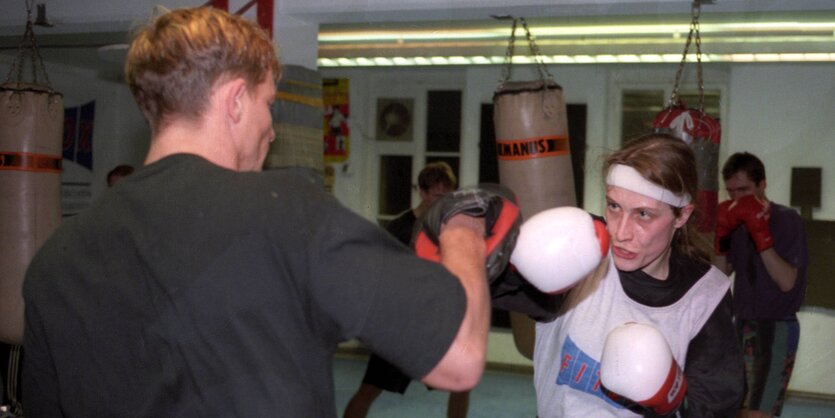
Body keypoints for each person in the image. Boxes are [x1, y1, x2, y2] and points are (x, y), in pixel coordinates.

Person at [21, 7, 498, 417]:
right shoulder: (284, 209)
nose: (271, 131)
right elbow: (459, 357)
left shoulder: (54, 260)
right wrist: (463, 226)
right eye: (268, 104)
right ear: (234, 101)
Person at [495, 133, 745, 417]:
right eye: (614, 206)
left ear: (682, 216)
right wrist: (492, 254)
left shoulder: (706, 294)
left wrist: (672, 398)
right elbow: (492, 288)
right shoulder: (581, 250)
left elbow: (716, 407)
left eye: (643, 214)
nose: (621, 233)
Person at [344, 161, 471, 418]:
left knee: (462, 382)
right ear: (423, 193)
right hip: (399, 325)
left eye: (448, 195)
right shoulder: (400, 228)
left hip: (435, 323)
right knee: (369, 390)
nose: (443, 201)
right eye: (437, 195)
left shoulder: (452, 229)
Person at [713, 152, 808, 418]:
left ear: (762, 185)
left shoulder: (786, 219)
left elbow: (787, 281)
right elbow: (720, 278)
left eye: (744, 190)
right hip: (741, 324)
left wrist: (761, 234)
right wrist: (721, 240)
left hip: (775, 326)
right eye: (731, 191)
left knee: (758, 413)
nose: (736, 199)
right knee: (738, 409)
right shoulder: (734, 221)